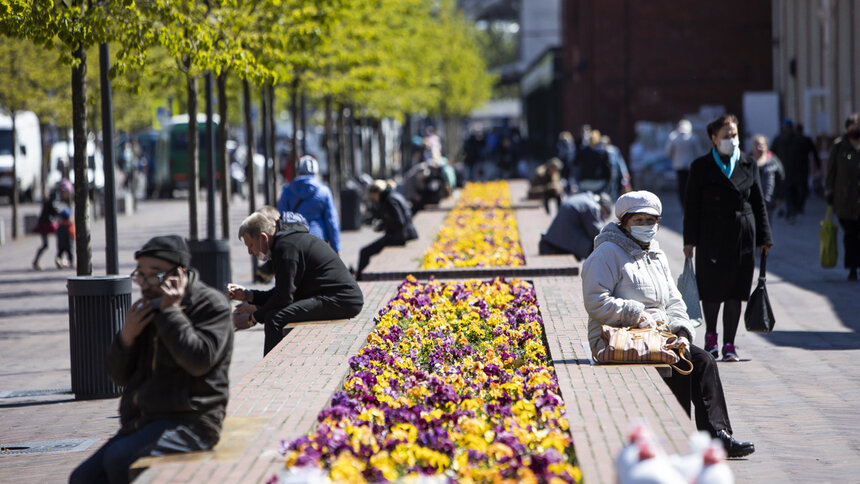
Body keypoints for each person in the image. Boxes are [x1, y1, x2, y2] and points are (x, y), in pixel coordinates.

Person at [582, 190, 755, 458]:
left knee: (703, 360)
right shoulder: (607, 252)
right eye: (638, 220)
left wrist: (683, 330)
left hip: (658, 335)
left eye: (651, 221)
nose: (646, 227)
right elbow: (595, 301)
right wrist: (636, 315)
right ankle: (679, 438)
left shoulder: (656, 254)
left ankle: (718, 435)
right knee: (676, 364)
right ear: (624, 222)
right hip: (617, 335)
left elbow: (674, 301)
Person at [69, 235, 233, 484]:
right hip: (144, 420)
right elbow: (119, 376)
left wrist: (171, 313)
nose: (146, 284)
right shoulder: (147, 307)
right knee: (82, 478)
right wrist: (126, 338)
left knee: (120, 460)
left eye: (155, 274)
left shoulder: (210, 305)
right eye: (141, 275)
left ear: (180, 274)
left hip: (192, 420)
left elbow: (199, 361)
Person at [683, 114, 773, 361]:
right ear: (714, 138)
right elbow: (691, 205)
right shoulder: (700, 167)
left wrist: (765, 237)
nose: (731, 140)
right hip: (710, 235)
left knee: (736, 291)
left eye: (734, 135)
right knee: (712, 291)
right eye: (726, 136)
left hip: (741, 235)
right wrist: (689, 240)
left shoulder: (748, 164)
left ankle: (730, 344)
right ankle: (711, 337)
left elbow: (758, 202)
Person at [228, 212, 363, 356]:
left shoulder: (285, 249)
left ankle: (271, 370)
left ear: (263, 237)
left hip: (341, 299)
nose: (250, 252)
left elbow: (283, 299)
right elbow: (284, 292)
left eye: (251, 245)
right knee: (274, 315)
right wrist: (249, 296)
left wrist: (252, 319)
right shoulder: (288, 241)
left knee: (274, 318)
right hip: (336, 297)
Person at [276, 155, 340, 253]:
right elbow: (332, 221)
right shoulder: (324, 191)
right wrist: (336, 247)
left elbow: (280, 216)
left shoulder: (288, 190)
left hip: (295, 239)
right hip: (319, 239)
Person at [356, 180, 418, 280]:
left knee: (364, 252)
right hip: (402, 234)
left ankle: (359, 279)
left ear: (377, 193)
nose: (374, 200)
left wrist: (384, 226)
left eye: (373, 197)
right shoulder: (393, 196)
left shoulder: (390, 200)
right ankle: (359, 277)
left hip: (398, 236)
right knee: (365, 251)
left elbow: (399, 221)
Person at [824, 113, 860, 280]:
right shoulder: (839, 147)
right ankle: (852, 267)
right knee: (850, 235)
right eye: (852, 128)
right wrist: (829, 192)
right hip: (844, 199)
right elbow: (831, 172)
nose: (855, 131)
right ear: (847, 129)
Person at [539, 191, 612, 260]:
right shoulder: (592, 206)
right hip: (563, 241)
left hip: (557, 237)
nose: (602, 216)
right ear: (602, 206)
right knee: (597, 248)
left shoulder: (584, 198)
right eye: (604, 213)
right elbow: (596, 233)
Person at [770, 118, 805, 224]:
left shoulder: (780, 139)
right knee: (792, 192)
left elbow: (772, 154)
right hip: (795, 171)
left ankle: (791, 211)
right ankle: (792, 211)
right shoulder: (798, 138)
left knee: (788, 193)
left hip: (784, 171)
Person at [664, 119, 705, 209]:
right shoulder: (693, 137)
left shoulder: (673, 137)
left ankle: (684, 205)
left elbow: (668, 152)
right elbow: (698, 152)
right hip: (691, 166)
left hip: (679, 166)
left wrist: (675, 159)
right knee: (691, 185)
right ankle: (691, 204)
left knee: (681, 186)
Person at [31, 179, 70, 270]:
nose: (67, 195)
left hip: (46, 222)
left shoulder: (54, 196)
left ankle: (57, 258)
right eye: (67, 193)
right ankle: (57, 259)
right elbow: (53, 208)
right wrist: (61, 213)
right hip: (46, 223)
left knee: (51, 243)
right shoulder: (55, 197)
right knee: (58, 240)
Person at [750, 134, 785, 221]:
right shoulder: (746, 161)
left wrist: (779, 197)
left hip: (768, 203)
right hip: (750, 204)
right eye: (757, 145)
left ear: (766, 146)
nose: (759, 147)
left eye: (762, 145)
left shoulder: (773, 161)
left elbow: (781, 179)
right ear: (752, 146)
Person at [573, 129, 612, 194]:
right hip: (599, 182)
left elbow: (575, 162)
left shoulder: (583, 150)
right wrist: (608, 180)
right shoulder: (603, 151)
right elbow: (607, 167)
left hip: (585, 182)